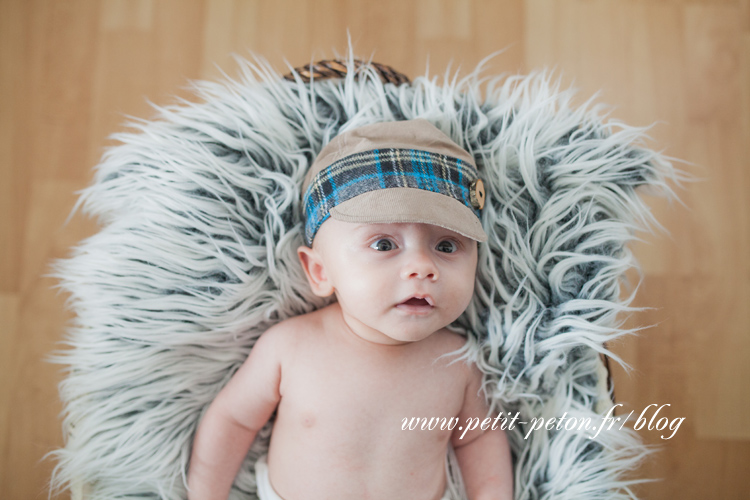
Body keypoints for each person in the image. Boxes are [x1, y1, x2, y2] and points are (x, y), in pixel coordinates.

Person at [187, 119, 514, 500]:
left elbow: (479, 438)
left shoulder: (457, 364)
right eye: (383, 245)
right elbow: (233, 419)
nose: (422, 267)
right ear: (320, 271)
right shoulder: (291, 347)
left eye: (446, 246)